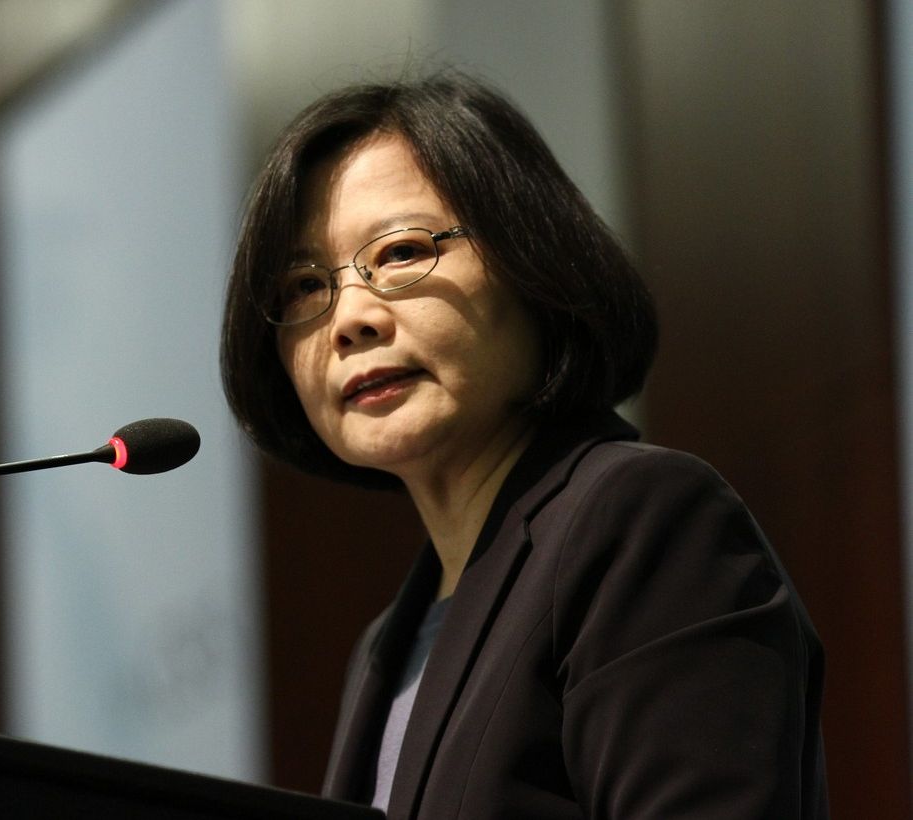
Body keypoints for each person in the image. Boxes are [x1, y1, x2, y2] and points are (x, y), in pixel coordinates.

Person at [220, 74, 827, 819]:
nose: (350, 319)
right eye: (304, 288)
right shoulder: (387, 643)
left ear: (531, 260)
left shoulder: (645, 524)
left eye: (402, 252)